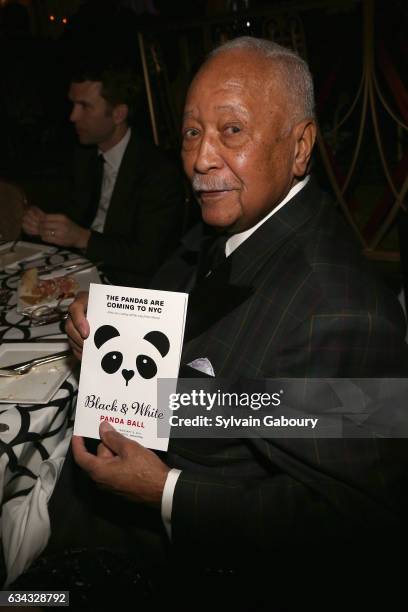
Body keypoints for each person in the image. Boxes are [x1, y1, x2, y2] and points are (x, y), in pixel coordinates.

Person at [12, 37, 408, 608]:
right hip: (95, 476)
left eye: (233, 131)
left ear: (301, 147)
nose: (201, 158)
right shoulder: (235, 225)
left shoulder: (342, 311)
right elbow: (249, 391)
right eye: (192, 132)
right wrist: (116, 314)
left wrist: (166, 493)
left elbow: (358, 525)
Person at [21, 66, 185, 286]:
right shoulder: (84, 155)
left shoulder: (158, 171)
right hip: (81, 270)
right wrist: (43, 223)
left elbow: (148, 256)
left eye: (84, 106)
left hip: (131, 287)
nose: (72, 116)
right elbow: (74, 213)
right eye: (73, 104)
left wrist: (82, 237)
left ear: (118, 113)